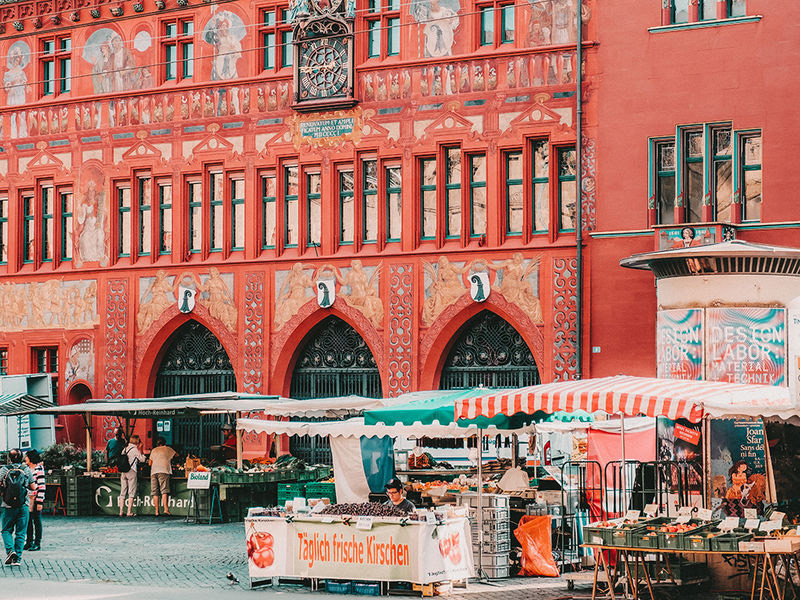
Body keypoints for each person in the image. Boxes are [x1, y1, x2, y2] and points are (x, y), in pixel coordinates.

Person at [1, 449, 35, 566]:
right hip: (23, 505)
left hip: (8, 505)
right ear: (22, 458)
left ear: (9, 458)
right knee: (21, 532)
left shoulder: (4, 470)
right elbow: (33, 487)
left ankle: (11, 551)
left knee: (6, 530)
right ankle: (17, 559)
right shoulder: (25, 470)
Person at [149, 437, 177, 517]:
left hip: (154, 471)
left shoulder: (154, 450)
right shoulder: (168, 449)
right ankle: (166, 509)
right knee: (164, 490)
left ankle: (156, 511)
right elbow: (177, 455)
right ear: (164, 443)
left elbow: (150, 463)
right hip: (163, 470)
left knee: (155, 492)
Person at [119, 434, 146, 517]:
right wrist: (141, 449)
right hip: (131, 471)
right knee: (131, 492)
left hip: (123, 472)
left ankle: (120, 511)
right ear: (137, 441)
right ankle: (129, 511)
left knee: (123, 492)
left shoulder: (125, 448)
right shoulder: (135, 449)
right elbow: (142, 459)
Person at [23, 450, 44, 552]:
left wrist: (40, 501)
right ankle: (29, 541)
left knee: (37, 521)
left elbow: (42, 486)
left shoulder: (39, 469)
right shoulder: (27, 469)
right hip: (27, 499)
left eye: (26, 457)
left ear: (30, 458)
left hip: (35, 499)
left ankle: (37, 543)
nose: (25, 458)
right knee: (28, 521)